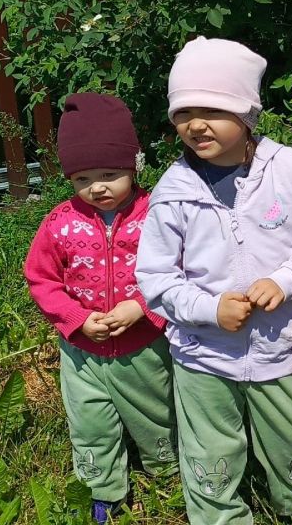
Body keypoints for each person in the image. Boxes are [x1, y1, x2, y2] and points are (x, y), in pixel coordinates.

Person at [137, 37, 292, 524]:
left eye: (213, 109)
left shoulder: (288, 168)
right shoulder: (174, 191)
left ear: (247, 113)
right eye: (184, 112)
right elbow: (156, 276)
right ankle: (220, 516)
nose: (196, 124)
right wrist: (210, 310)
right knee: (211, 455)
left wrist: (287, 279)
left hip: (281, 345)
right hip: (203, 354)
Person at [24, 92, 176, 523]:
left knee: (157, 414)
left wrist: (143, 308)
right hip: (82, 351)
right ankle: (102, 489)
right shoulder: (60, 222)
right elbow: (41, 278)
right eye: (83, 179)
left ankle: (167, 474)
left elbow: (182, 270)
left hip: (145, 345)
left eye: (110, 174)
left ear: (134, 166)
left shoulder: (158, 214)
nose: (97, 187)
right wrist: (76, 320)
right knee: (90, 422)